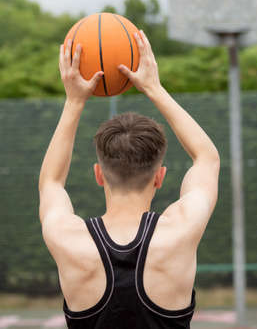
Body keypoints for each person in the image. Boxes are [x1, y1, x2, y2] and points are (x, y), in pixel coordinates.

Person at [39, 30, 220, 329]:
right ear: (159, 177)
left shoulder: (68, 237)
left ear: (99, 175)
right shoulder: (181, 229)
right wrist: (154, 88)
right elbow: (207, 158)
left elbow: (51, 182)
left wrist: (74, 101)